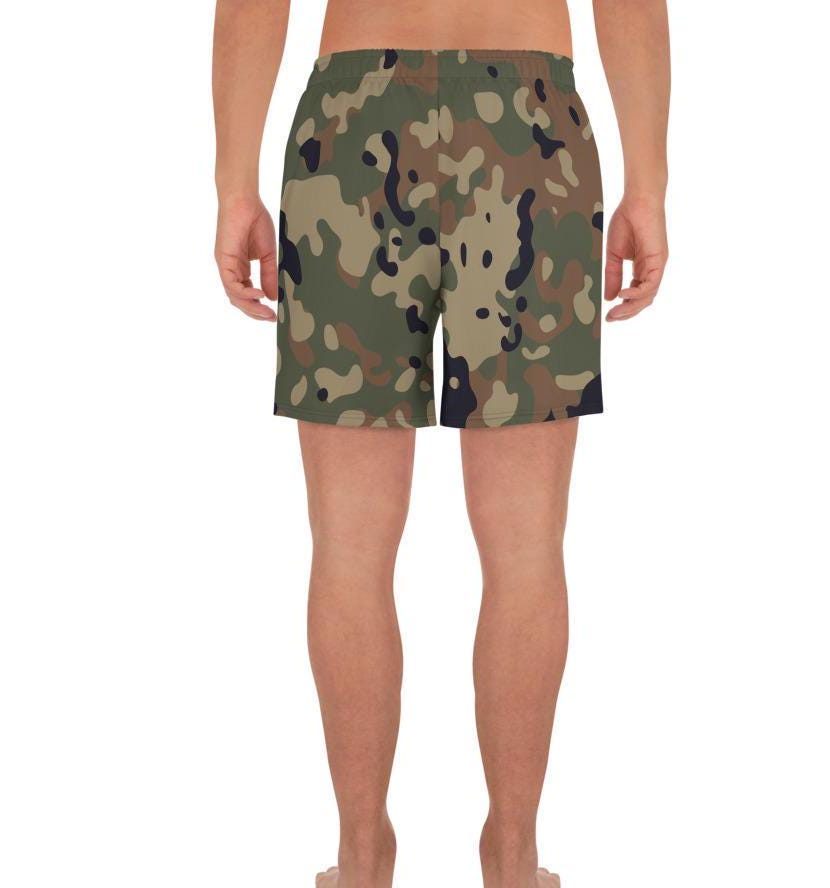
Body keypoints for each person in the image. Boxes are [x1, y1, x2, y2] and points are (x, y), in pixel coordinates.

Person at [213, 1, 669, 885]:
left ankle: (360, 862)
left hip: (351, 125)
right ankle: (513, 859)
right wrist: (647, 182)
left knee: (348, 545)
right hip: (530, 131)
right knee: (526, 547)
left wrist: (235, 183)